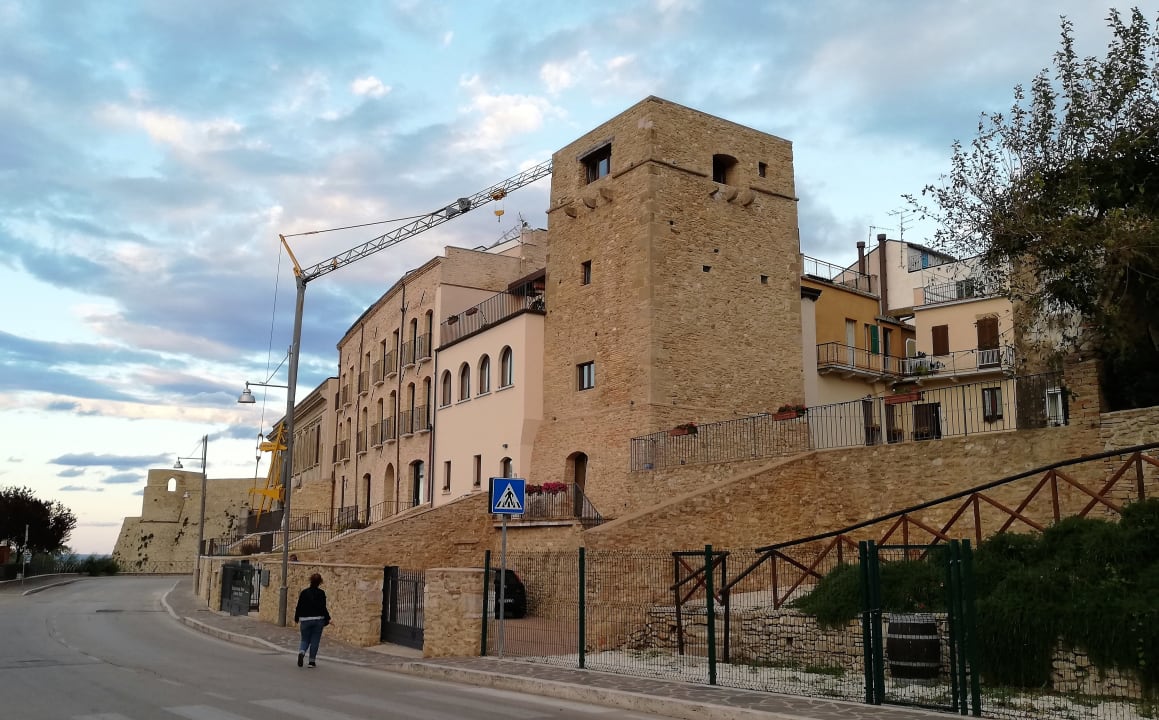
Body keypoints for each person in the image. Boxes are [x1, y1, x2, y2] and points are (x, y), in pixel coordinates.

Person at [293, 572, 332, 668]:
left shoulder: (304, 592)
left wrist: (296, 617)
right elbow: (323, 608)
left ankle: (302, 652)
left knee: (305, 639)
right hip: (318, 620)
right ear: (320, 582)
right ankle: (311, 662)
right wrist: (328, 618)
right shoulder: (321, 593)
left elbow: (299, 606)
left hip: (305, 619)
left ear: (310, 580)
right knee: (315, 640)